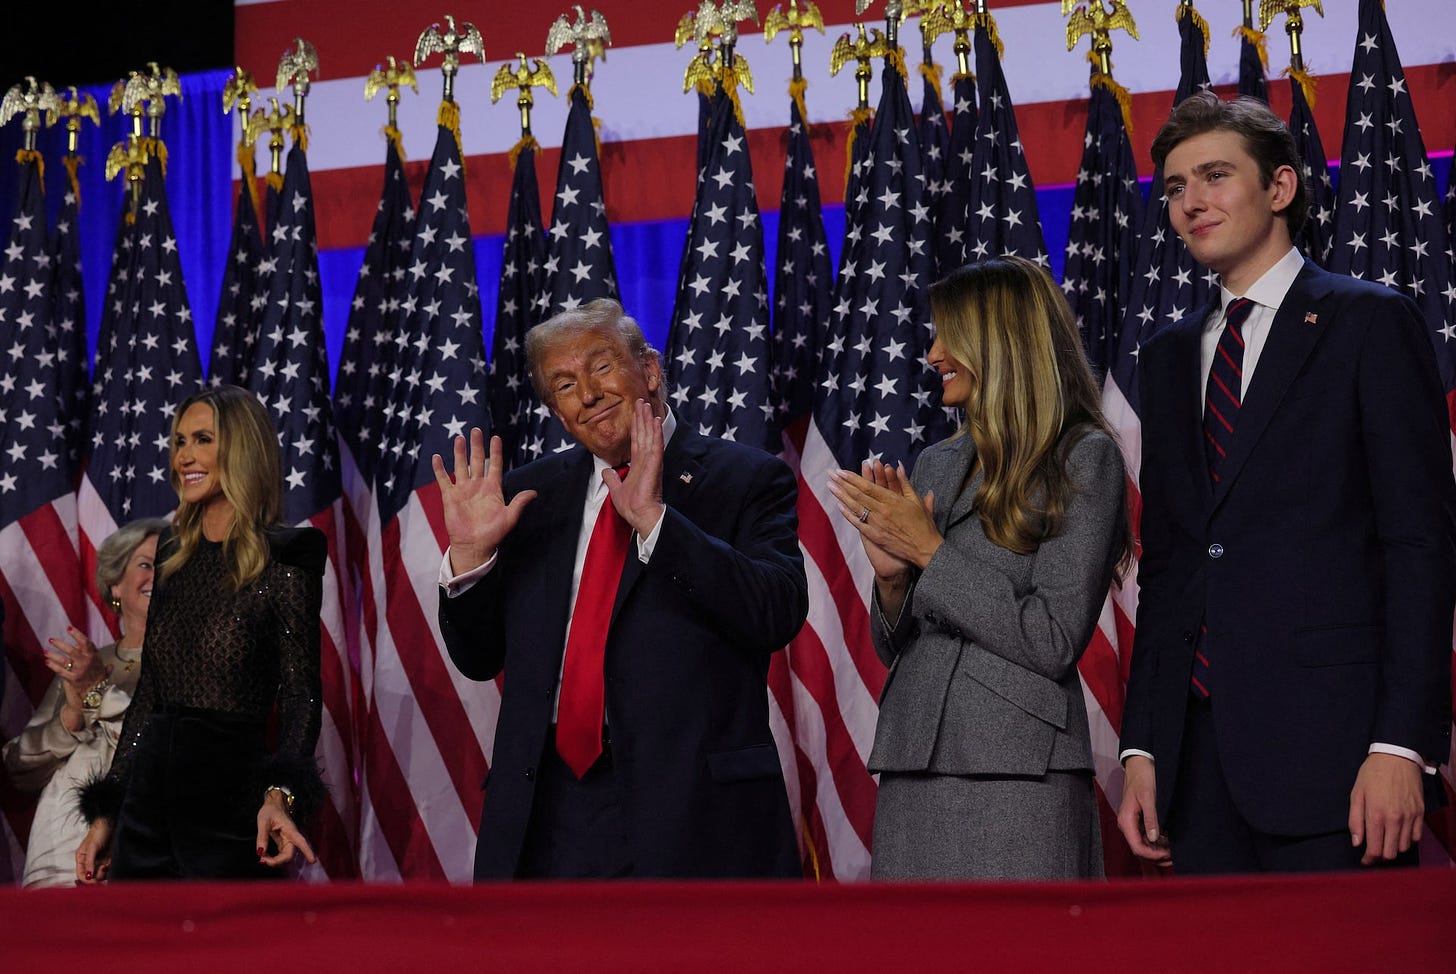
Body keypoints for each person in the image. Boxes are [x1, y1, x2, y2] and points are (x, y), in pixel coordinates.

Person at [1117, 91, 1456, 874]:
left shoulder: (1368, 322)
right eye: (1174, 187)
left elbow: (1420, 544)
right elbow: (1169, 567)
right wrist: (1144, 742)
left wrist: (1401, 743)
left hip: (1341, 761)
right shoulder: (1166, 359)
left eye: (1213, 176)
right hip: (1196, 768)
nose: (1191, 202)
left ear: (1280, 188)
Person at [434, 298, 807, 880]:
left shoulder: (745, 479)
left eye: (602, 366)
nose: (587, 392)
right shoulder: (528, 499)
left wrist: (660, 525)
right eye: (564, 383)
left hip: (693, 819)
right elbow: (479, 657)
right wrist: (472, 557)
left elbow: (776, 611)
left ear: (650, 370)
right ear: (556, 412)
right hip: (547, 820)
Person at [828, 255, 1130, 880]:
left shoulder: (1084, 458)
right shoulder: (938, 461)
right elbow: (901, 647)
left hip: (1018, 768)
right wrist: (892, 578)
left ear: (998, 340)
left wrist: (929, 553)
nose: (933, 352)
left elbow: (1051, 640)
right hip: (914, 761)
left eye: (947, 335)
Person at [75, 385, 327, 882]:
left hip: (232, 813)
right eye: (179, 441)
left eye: (202, 439)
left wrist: (280, 797)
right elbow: (150, 695)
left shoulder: (288, 556)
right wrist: (109, 812)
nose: (184, 456)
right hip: (147, 808)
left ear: (241, 449)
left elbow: (301, 696)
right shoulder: (172, 554)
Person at [3, 517, 167, 888]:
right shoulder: (87, 663)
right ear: (115, 585)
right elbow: (19, 767)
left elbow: (162, 748)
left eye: (169, 565)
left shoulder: (193, 663)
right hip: (58, 849)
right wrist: (75, 711)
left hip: (141, 843)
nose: (159, 574)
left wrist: (98, 692)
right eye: (145, 564)